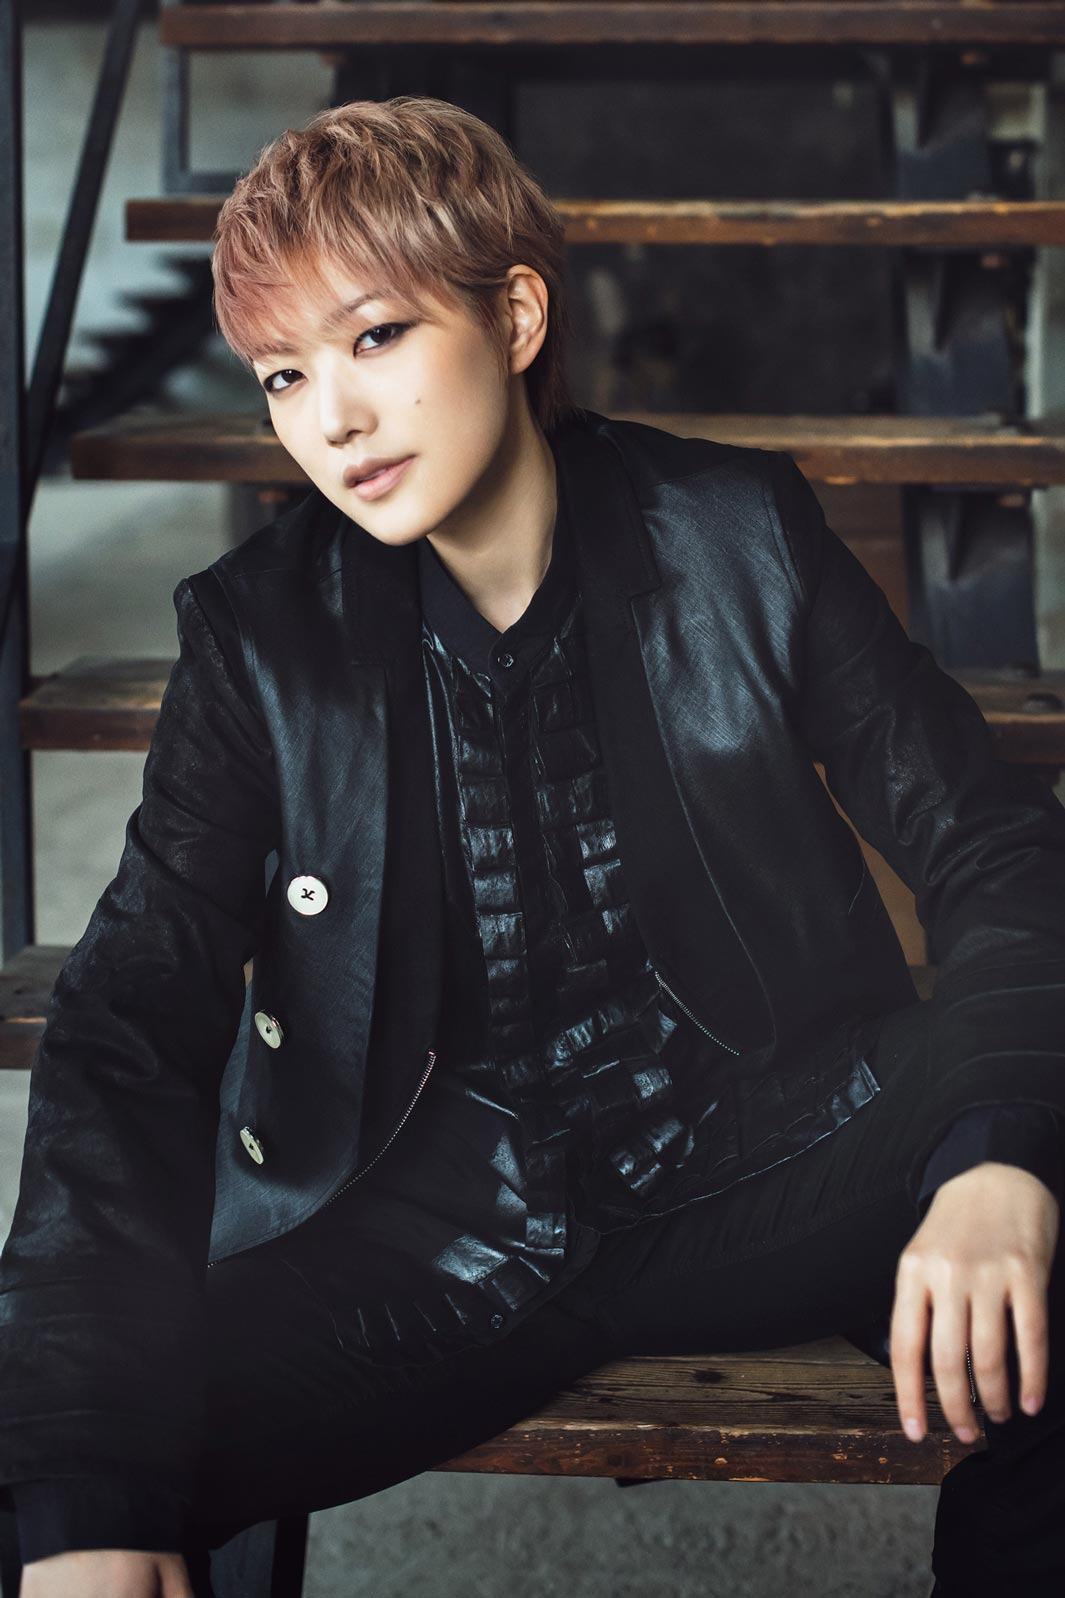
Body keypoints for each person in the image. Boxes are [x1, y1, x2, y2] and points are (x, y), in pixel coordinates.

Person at [2, 94, 1064, 1598]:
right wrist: (84, 1494)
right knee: (57, 1460)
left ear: (513, 316)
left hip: (772, 1140)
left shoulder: (737, 533)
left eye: (375, 337)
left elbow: (995, 844)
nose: (332, 420)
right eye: (284, 375)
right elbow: (129, 1019)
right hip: (427, 1223)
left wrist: (992, 1159)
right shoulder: (257, 639)